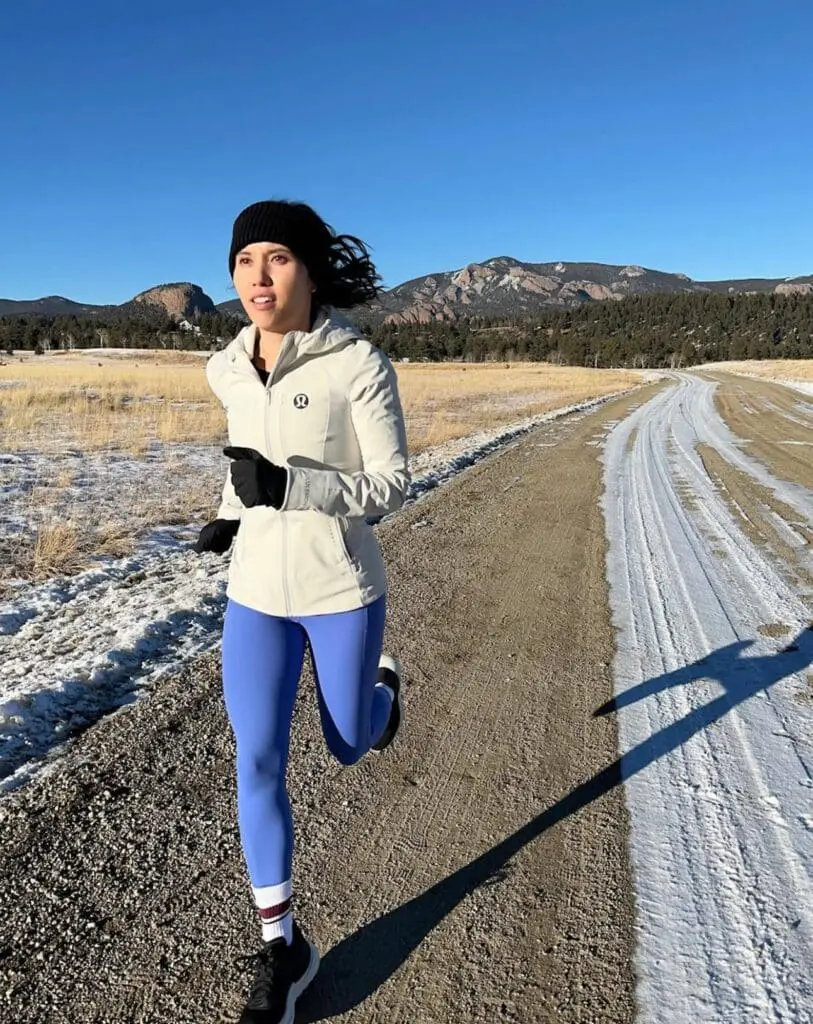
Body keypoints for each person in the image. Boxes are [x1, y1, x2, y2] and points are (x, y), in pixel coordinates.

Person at [194, 199, 410, 1024]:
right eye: (245, 260)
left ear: (311, 270)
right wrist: (230, 512)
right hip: (255, 592)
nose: (257, 276)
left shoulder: (356, 363)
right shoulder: (224, 367)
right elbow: (242, 462)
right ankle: (284, 947)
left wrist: (291, 489)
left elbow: (391, 483)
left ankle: (382, 700)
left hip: (338, 588)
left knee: (348, 746)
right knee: (256, 762)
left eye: (276, 258)